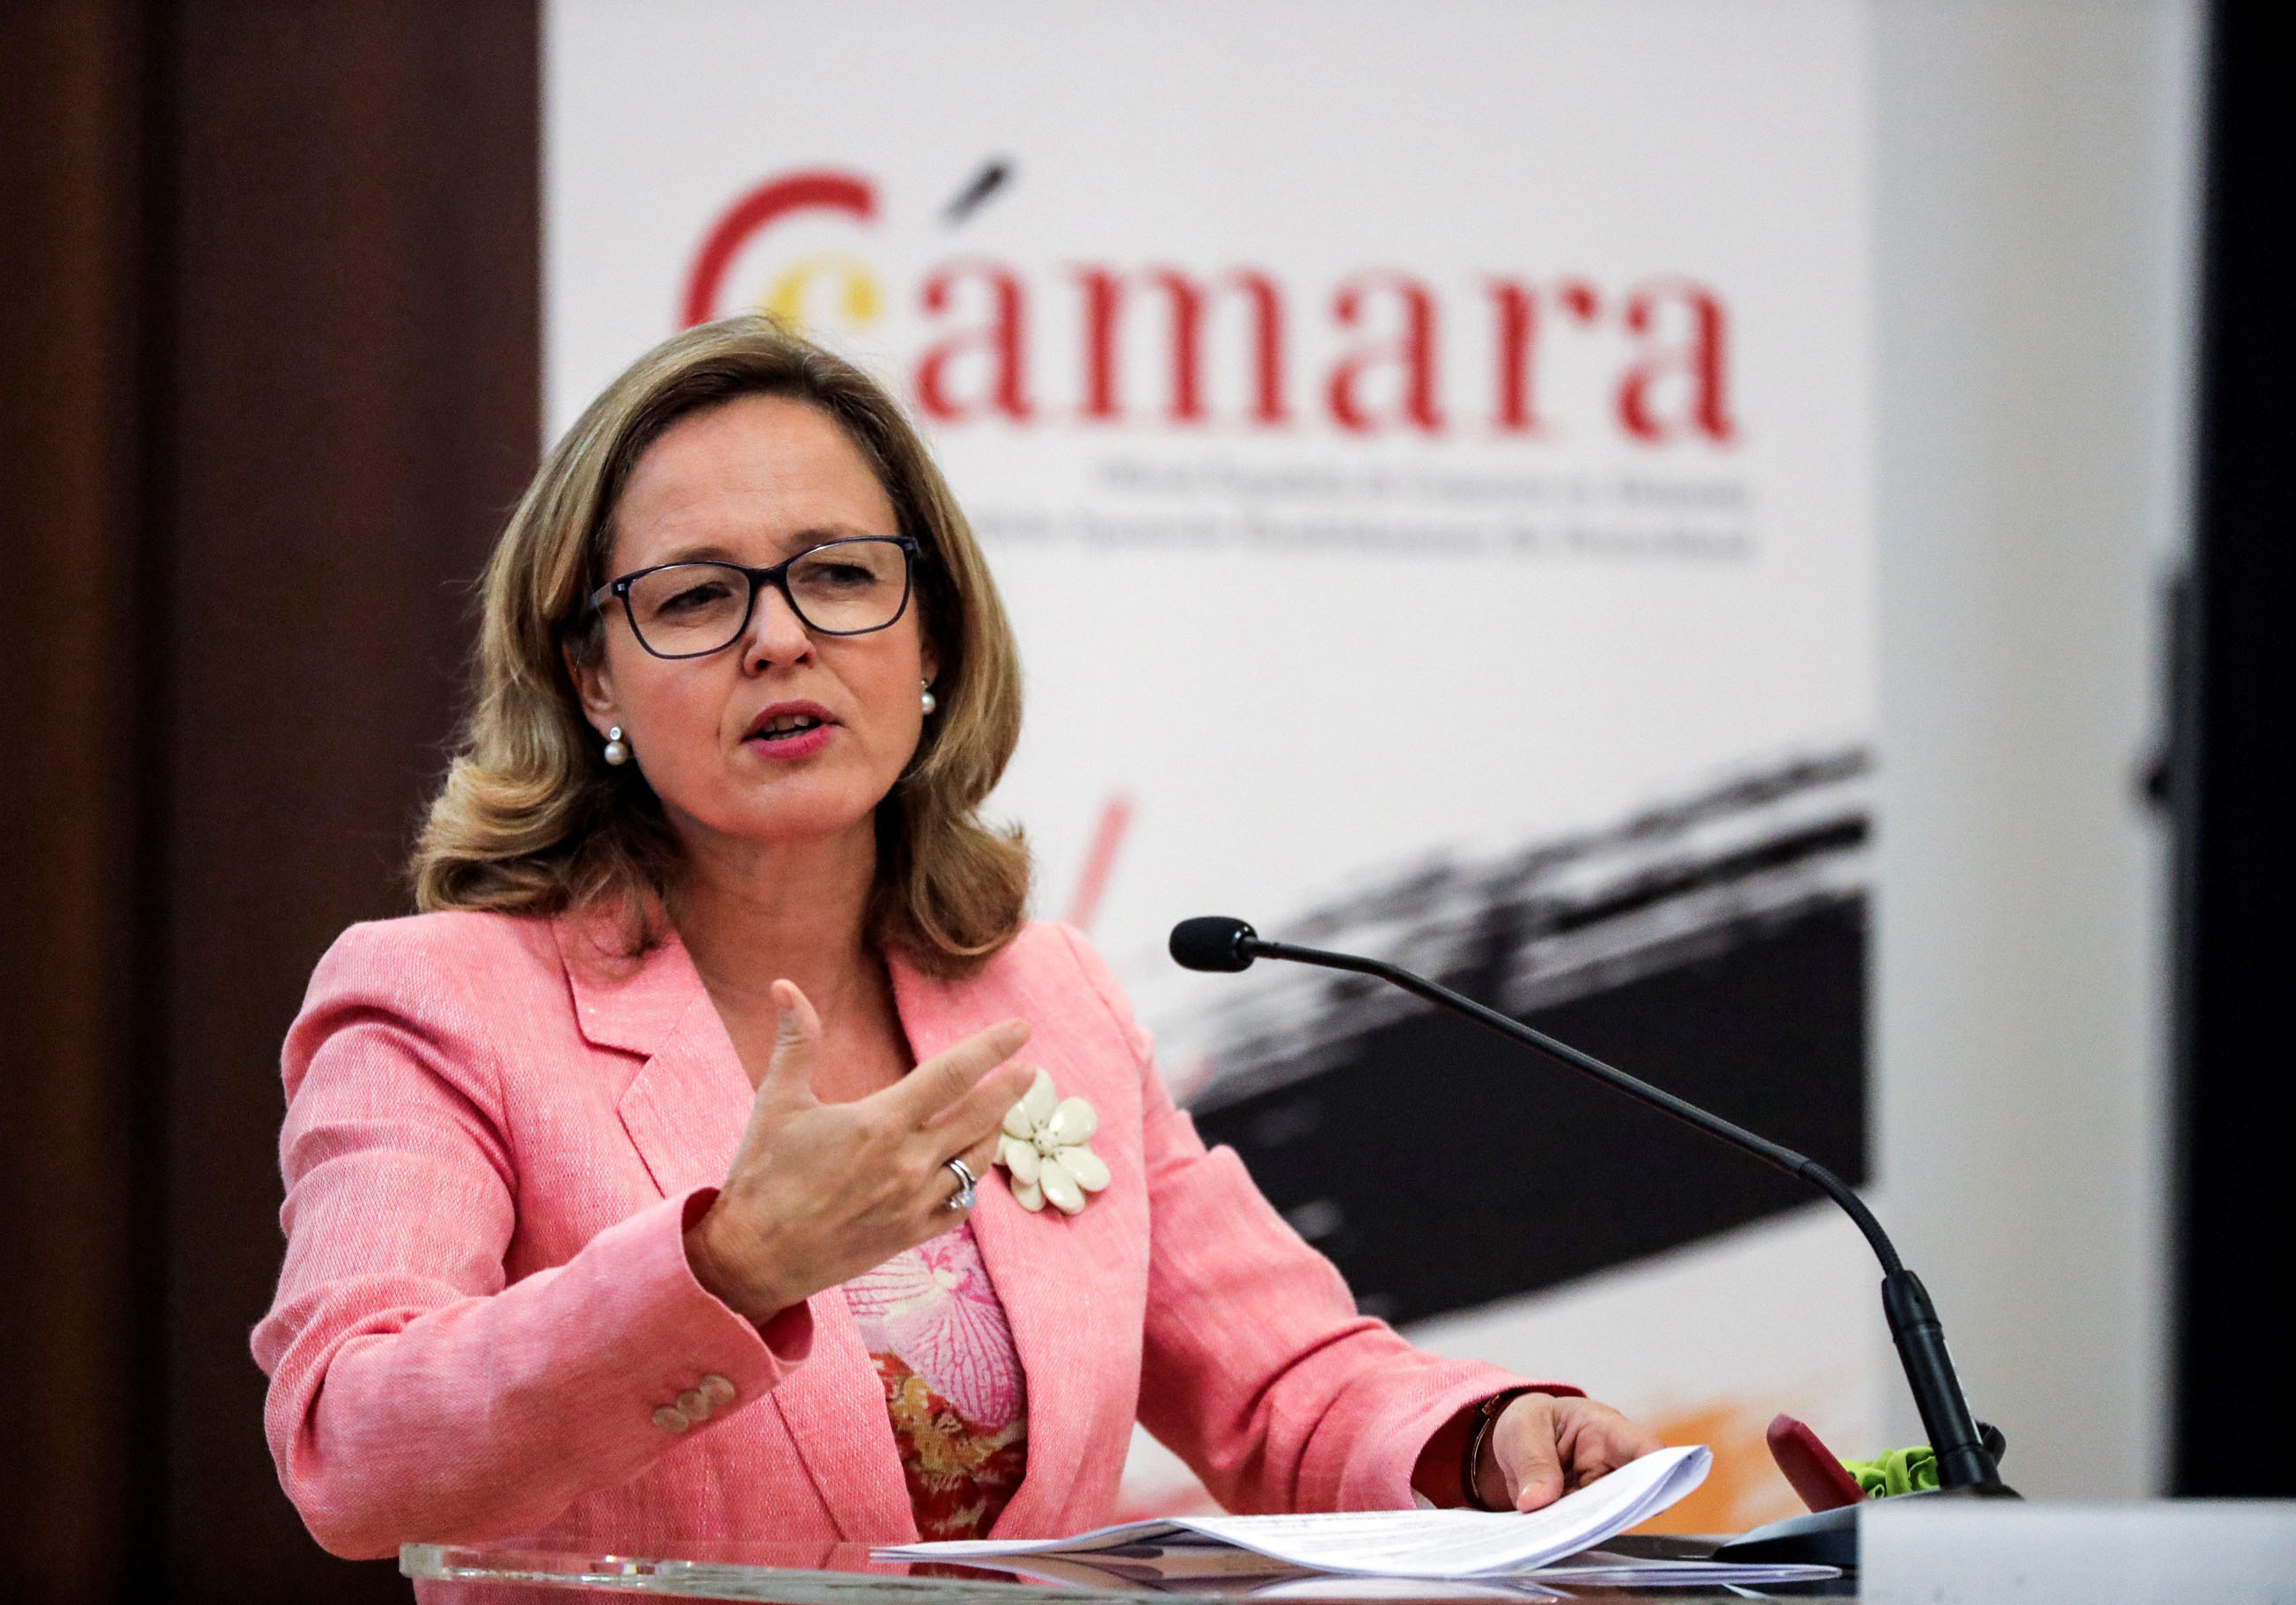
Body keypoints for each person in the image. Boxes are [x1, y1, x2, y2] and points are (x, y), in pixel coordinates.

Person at [253, 316, 1661, 1563]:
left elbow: (1284, 1386)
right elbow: (350, 1448)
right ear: (592, 678)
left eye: (840, 575)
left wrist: (1485, 1437)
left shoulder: (1047, 998)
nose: (780, 640)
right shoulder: (441, 999)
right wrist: (726, 1268)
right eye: (693, 597)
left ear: (928, 634)